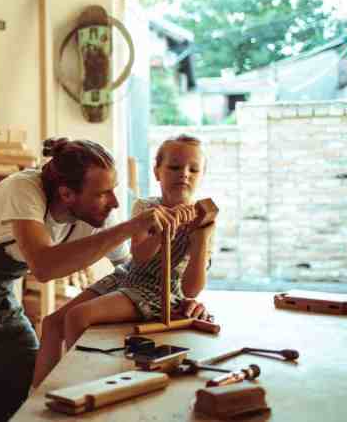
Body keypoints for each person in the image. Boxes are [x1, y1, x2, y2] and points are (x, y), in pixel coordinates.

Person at [0, 138, 192, 422]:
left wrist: (182, 301)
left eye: (114, 190)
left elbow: (131, 272)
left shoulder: (96, 215)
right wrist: (131, 228)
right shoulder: (22, 188)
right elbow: (44, 265)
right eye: (103, 193)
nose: (114, 202)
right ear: (67, 194)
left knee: (24, 388)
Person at [32, 135, 216, 388]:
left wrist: (202, 237)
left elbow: (191, 289)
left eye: (193, 169)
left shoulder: (203, 221)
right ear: (157, 172)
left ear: (202, 175)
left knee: (77, 317)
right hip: (127, 276)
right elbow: (139, 256)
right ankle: (38, 398)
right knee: (52, 323)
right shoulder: (146, 207)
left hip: (157, 292)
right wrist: (162, 230)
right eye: (174, 167)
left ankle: (79, 390)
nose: (184, 174)